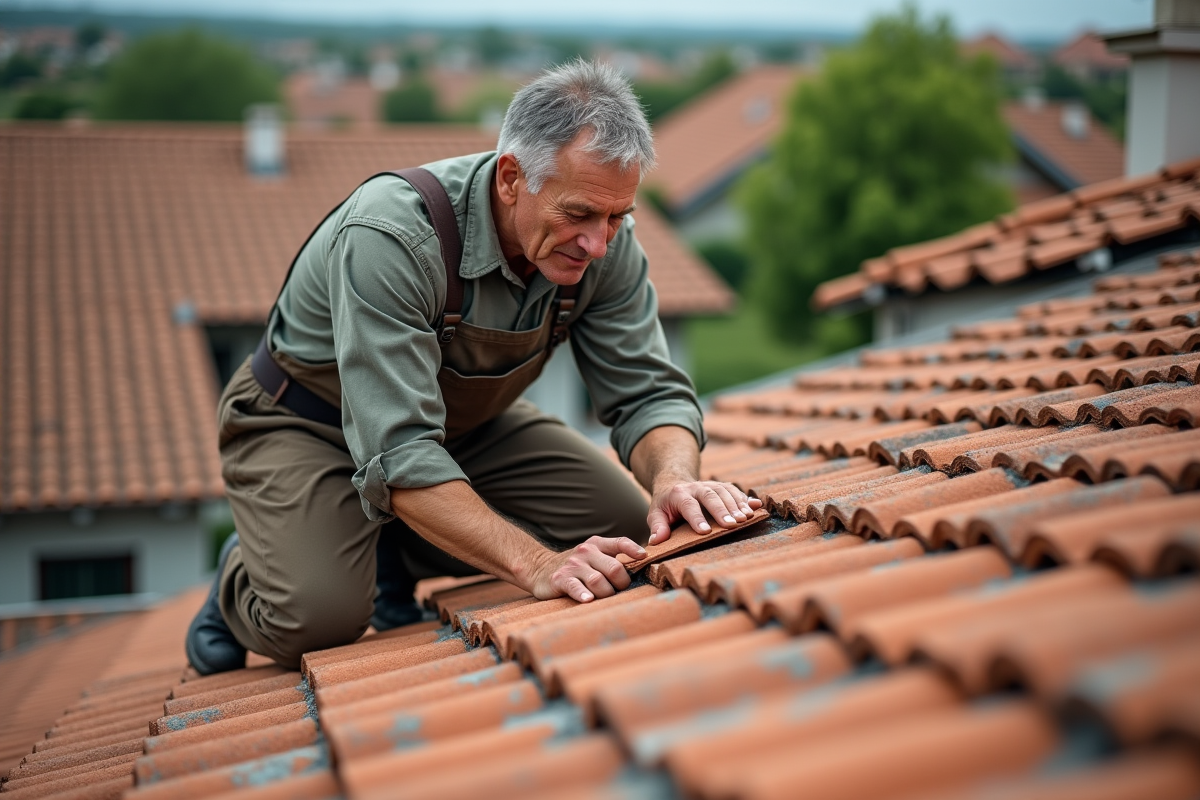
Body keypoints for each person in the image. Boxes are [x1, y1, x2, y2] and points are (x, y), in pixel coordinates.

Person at [186, 60, 761, 675]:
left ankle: (390, 547)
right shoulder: (392, 236)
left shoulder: (603, 244)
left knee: (631, 531)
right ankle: (246, 579)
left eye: (615, 217)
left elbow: (648, 394)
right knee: (315, 615)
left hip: (465, 428)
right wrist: (537, 565)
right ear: (512, 178)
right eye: (579, 215)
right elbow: (402, 450)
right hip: (306, 425)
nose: (598, 243)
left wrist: (672, 479)